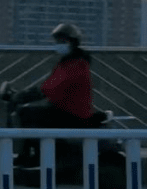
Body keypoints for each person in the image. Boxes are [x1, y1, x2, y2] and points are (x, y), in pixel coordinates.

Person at [13, 22, 95, 166]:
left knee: (25, 113)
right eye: (57, 41)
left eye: (63, 41)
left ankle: (35, 156)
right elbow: (50, 83)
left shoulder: (77, 64)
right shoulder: (67, 62)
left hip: (72, 113)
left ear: (73, 42)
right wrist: (26, 93)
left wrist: (25, 96)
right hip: (62, 108)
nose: (59, 45)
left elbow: (54, 87)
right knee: (30, 112)